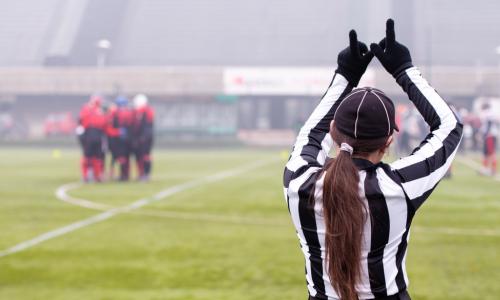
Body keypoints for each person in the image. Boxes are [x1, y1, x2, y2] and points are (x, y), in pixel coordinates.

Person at [283, 20, 462, 300]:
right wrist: (403, 70)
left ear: (333, 131)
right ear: (389, 141)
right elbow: (450, 125)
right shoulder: (399, 187)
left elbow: (312, 133)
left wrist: (345, 76)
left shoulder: (298, 182)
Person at [78, 95, 107, 182]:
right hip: (96, 134)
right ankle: (96, 175)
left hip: (89, 134)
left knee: (88, 156)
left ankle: (88, 175)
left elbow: (81, 122)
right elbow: (104, 124)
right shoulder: (100, 111)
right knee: (96, 157)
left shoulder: (86, 109)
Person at [131, 94, 154, 181]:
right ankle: (141, 173)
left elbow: (147, 125)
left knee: (145, 156)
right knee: (139, 156)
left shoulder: (147, 111)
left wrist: (144, 136)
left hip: (145, 137)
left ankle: (146, 173)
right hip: (140, 137)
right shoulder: (138, 112)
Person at [480, 102, 498, 176]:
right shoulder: (491, 113)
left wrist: (485, 134)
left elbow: (489, 123)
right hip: (491, 135)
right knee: (487, 152)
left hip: (489, 135)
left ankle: (492, 169)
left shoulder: (487, 113)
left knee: (490, 153)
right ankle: (486, 168)